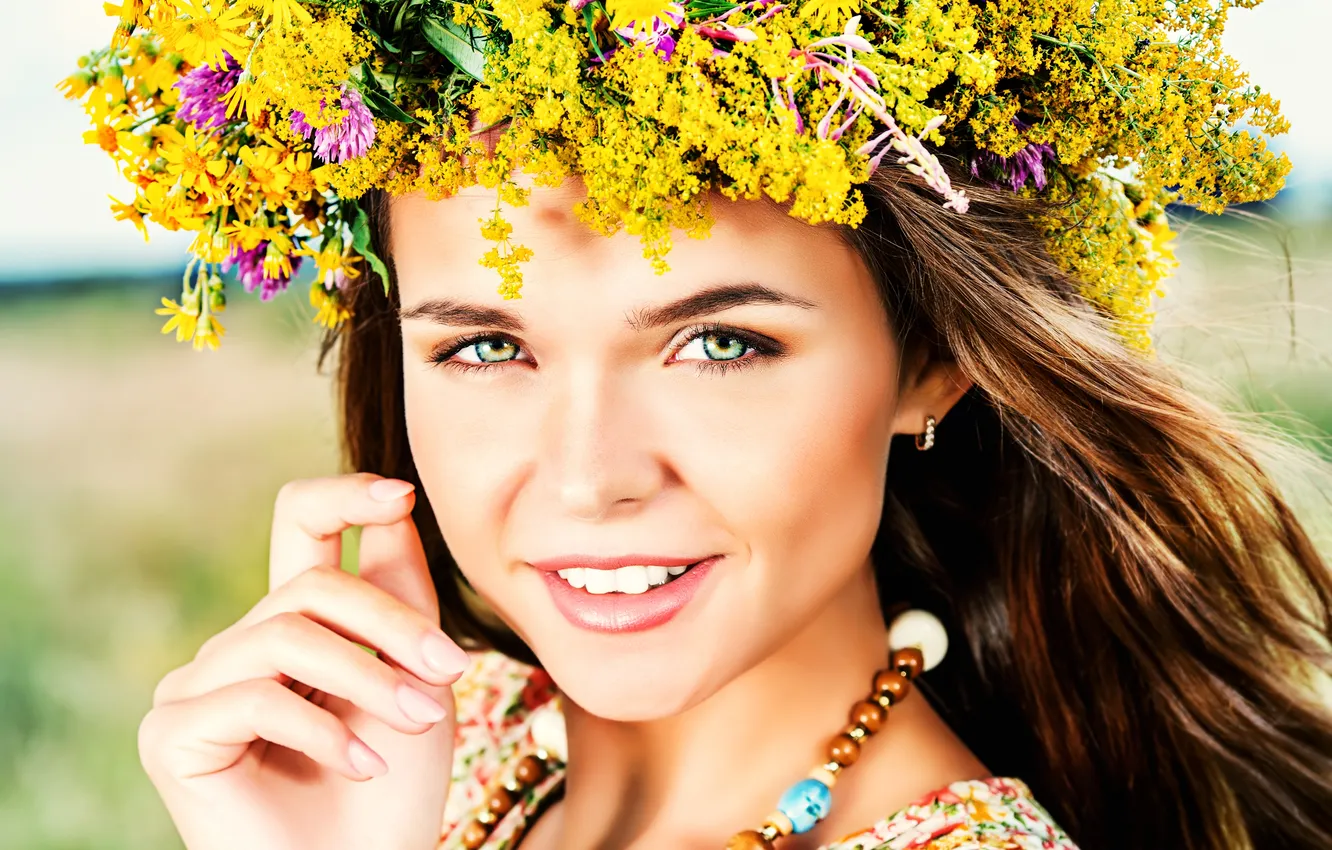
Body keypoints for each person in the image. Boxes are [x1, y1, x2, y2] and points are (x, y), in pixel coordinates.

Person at [64, 1, 1332, 848]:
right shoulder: (413, 768)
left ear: (933, 367)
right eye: (487, 346)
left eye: (720, 343)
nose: (588, 478)